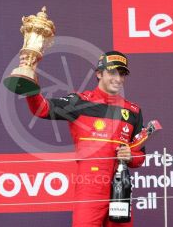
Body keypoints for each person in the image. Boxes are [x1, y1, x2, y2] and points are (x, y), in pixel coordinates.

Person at [24, 51, 145, 227]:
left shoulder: (133, 111)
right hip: (90, 187)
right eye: (112, 73)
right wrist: (31, 78)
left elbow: (140, 156)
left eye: (122, 74)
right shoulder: (79, 102)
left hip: (121, 188)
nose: (118, 79)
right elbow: (41, 109)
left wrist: (130, 156)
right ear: (99, 73)